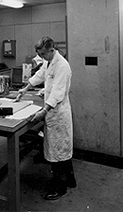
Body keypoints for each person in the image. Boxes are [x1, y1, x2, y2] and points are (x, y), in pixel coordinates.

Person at [15, 36, 77, 200]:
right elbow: (40, 75)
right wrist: (25, 88)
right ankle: (70, 180)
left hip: (58, 113)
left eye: (43, 53)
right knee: (60, 149)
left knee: (58, 152)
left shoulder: (62, 65)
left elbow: (57, 92)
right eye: (40, 54)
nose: (42, 57)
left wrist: (44, 111)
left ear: (52, 49)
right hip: (52, 112)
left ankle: (60, 187)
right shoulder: (49, 61)